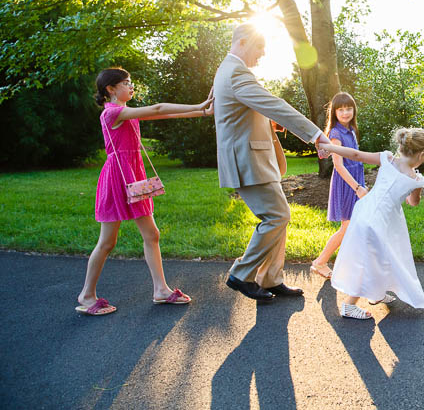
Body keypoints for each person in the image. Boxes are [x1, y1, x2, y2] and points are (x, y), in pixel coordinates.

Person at [76, 68, 213, 316]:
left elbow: (162, 115)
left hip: (133, 177)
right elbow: (159, 108)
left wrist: (203, 111)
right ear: (110, 88)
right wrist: (200, 103)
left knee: (152, 234)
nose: (131, 87)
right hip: (117, 178)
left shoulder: (125, 112)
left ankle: (161, 290)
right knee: (107, 241)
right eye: (126, 83)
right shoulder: (113, 113)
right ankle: (86, 295)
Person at [213, 22, 331, 302]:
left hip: (256, 159)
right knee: (277, 217)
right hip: (247, 161)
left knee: (279, 218)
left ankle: (270, 277)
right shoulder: (236, 72)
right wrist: (316, 134)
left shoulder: (227, 70)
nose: (263, 54)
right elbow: (272, 102)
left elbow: (244, 111)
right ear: (242, 42)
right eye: (259, 47)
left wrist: (269, 124)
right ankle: (241, 274)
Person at [319, 127, 424, 319]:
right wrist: (407, 192)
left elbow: (355, 154)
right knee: (371, 261)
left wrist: (330, 147)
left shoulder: (387, 159)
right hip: (380, 222)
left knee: (380, 256)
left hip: (364, 212)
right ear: (421, 154)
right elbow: (413, 202)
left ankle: (376, 293)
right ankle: (349, 305)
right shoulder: (416, 180)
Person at [310, 92, 367, 280]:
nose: (345, 113)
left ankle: (342, 263)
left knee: (352, 226)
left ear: (354, 110)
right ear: (334, 112)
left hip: (355, 180)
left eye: (348, 109)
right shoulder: (335, 133)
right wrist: (357, 187)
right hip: (347, 183)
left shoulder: (350, 129)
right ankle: (320, 262)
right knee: (348, 227)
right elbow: (339, 165)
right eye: (340, 110)